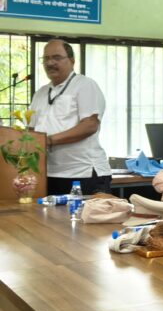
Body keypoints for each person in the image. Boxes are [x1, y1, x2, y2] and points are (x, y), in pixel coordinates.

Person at [29, 39, 111, 195]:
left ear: (72, 60)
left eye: (56, 57)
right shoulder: (40, 93)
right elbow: (32, 130)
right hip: (49, 173)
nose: (50, 63)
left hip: (83, 173)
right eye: (46, 58)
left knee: (87, 212)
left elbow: (90, 125)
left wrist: (48, 141)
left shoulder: (85, 85)